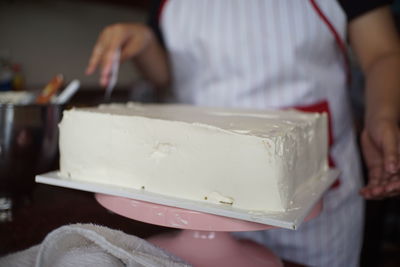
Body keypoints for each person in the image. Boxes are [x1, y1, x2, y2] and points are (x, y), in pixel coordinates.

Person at [85, 0, 400, 266]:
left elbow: (383, 53)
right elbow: (165, 75)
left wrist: (383, 114)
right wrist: (145, 42)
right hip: (201, 190)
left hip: (313, 191)